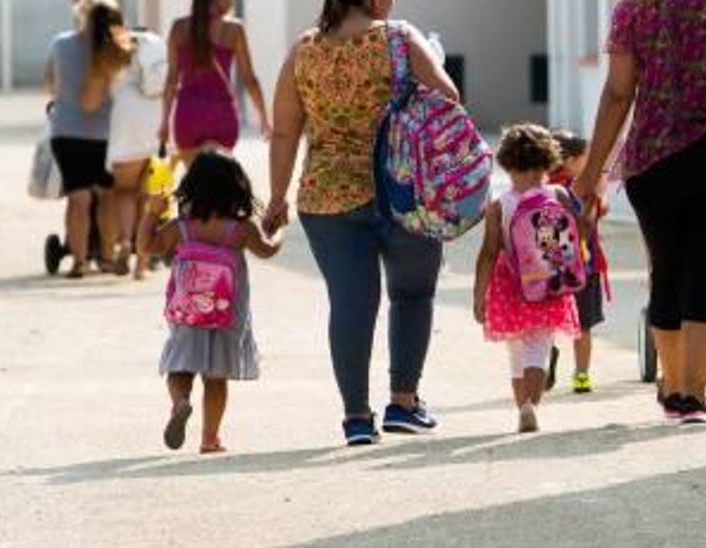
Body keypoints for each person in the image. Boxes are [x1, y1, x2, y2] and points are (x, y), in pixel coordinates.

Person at [573, 0, 706, 423]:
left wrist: (591, 171)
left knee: (667, 272)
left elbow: (618, 92)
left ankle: (673, 388)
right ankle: (692, 396)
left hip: (651, 163)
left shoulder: (631, 9)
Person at [265, 0, 461, 446]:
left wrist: (277, 198)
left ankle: (356, 418)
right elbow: (449, 99)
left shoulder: (303, 50)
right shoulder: (400, 38)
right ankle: (403, 403)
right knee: (412, 294)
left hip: (327, 196)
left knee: (351, 305)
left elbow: (284, 131)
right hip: (404, 190)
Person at [137, 150, 283, 454]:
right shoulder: (241, 230)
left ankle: (180, 403)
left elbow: (146, 247)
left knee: (180, 367)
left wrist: (152, 213)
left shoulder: (182, 227)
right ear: (237, 190)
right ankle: (209, 438)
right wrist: (278, 227)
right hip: (224, 315)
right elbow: (268, 250)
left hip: (187, 312)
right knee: (216, 378)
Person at [474, 125, 583, 433]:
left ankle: (522, 406)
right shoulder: (558, 194)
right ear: (549, 160)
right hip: (549, 283)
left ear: (506, 164)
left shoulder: (500, 204)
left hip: (511, 286)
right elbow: (577, 233)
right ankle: (532, 407)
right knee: (539, 348)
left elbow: (488, 253)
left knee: (516, 352)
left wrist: (478, 295)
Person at [44, 0, 131, 279]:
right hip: (104, 135)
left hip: (66, 132)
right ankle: (106, 259)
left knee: (78, 198)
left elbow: (49, 84)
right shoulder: (118, 49)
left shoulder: (60, 43)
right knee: (106, 196)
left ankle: (78, 263)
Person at [160, 0, 271, 164]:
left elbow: (171, 80)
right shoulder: (233, 29)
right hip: (221, 116)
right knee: (219, 181)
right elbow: (249, 80)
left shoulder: (178, 27)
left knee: (195, 183)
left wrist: (164, 123)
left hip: (188, 116)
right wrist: (263, 118)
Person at [108, 28, 169, 280]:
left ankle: (123, 242)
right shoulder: (158, 46)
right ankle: (142, 264)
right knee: (147, 195)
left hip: (127, 116)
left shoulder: (120, 46)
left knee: (124, 191)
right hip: (154, 117)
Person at [549, 131, 606, 394]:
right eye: (586, 158)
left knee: (547, 322)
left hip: (549, 269)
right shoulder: (581, 189)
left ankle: (543, 361)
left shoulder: (544, 186)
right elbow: (588, 223)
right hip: (584, 267)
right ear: (571, 160)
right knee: (583, 327)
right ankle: (581, 375)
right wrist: (597, 195)